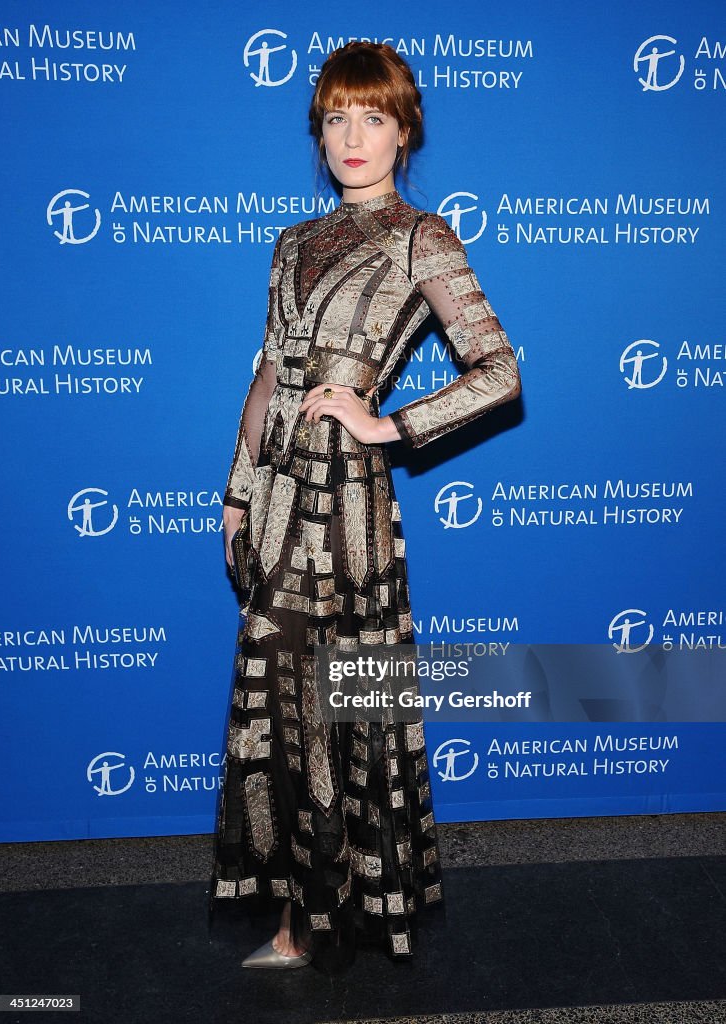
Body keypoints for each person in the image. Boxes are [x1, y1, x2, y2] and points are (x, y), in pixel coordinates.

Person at [208, 40, 522, 975]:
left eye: (372, 119)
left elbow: (499, 371)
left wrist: (388, 424)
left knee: (340, 705)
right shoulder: (292, 242)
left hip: (344, 507)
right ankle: (294, 922)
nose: (353, 137)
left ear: (402, 131)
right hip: (270, 502)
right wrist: (233, 490)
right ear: (319, 131)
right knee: (277, 712)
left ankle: (348, 915)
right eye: (336, 118)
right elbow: (266, 370)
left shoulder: (424, 238)